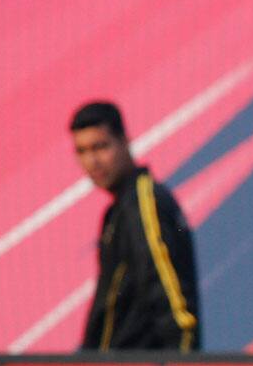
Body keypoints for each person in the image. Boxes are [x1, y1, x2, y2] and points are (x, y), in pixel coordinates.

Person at [71, 101, 200, 351]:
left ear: (125, 141)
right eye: (82, 151)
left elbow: (175, 306)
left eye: (100, 147)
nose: (93, 161)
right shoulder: (121, 209)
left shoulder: (144, 202)